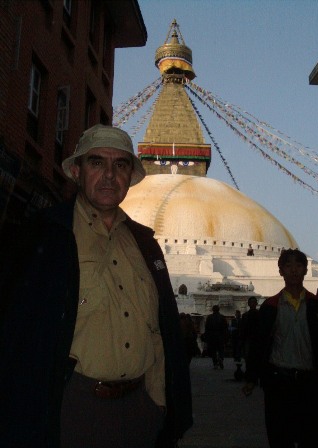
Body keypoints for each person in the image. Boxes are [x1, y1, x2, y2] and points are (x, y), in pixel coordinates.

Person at [0, 125, 193, 448]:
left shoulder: (145, 244)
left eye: (120, 165)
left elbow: (161, 330)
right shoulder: (43, 235)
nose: (108, 175)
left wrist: (159, 403)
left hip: (140, 408)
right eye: (96, 162)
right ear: (76, 171)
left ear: (130, 177)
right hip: (72, 406)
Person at [242, 249, 318, 448]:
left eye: (298, 266)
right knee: (280, 438)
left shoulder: (317, 305)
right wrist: (251, 377)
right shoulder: (270, 307)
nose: (294, 270)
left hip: (310, 383)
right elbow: (259, 344)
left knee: (313, 439)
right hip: (279, 382)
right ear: (281, 271)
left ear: (305, 270)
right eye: (288, 266)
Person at [204, 305, 228, 369]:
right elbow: (225, 328)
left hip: (212, 336)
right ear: (219, 310)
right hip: (220, 336)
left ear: (213, 310)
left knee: (213, 350)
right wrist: (226, 337)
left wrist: (207, 338)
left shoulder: (209, 317)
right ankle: (221, 358)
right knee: (221, 349)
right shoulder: (222, 317)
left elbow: (207, 328)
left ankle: (215, 364)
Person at [240, 296, 259, 376]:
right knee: (248, 356)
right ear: (248, 304)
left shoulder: (259, 314)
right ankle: (249, 371)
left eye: (254, 302)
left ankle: (253, 372)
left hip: (256, 339)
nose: (252, 304)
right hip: (248, 338)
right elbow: (242, 328)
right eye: (251, 302)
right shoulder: (245, 315)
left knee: (255, 356)